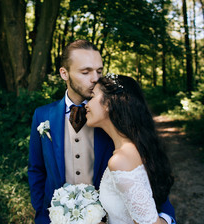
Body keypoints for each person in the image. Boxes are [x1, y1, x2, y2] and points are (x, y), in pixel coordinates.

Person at [28, 40, 176, 224]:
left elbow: (146, 175)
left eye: (99, 71)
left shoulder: (113, 119)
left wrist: (166, 217)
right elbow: (36, 169)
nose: (95, 78)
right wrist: (41, 211)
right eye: (85, 72)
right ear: (64, 73)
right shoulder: (42, 115)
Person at [85, 73, 175, 224]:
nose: (87, 104)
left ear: (108, 103)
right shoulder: (134, 148)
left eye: (93, 96)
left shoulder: (121, 159)